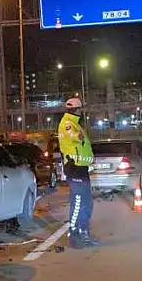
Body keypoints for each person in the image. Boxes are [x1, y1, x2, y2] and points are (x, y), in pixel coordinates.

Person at [57, 97, 98, 249]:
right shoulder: (68, 123)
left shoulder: (74, 123)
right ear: (78, 109)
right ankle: (74, 235)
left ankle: (84, 233)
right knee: (79, 203)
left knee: (87, 204)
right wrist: (80, 135)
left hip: (82, 169)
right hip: (74, 169)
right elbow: (75, 137)